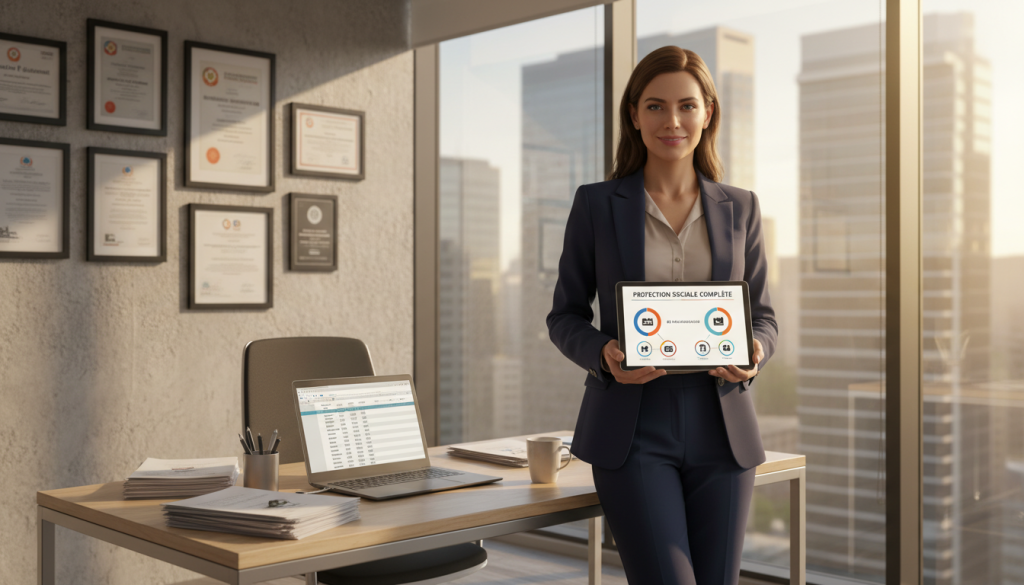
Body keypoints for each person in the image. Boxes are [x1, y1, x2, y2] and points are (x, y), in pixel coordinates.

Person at [546, 46, 777, 585]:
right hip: (633, 427)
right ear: (634, 115)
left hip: (722, 427)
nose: (671, 121)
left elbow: (762, 314)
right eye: (654, 106)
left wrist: (757, 351)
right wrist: (603, 352)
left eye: (686, 106)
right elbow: (565, 315)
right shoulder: (596, 205)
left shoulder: (740, 206)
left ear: (708, 113)